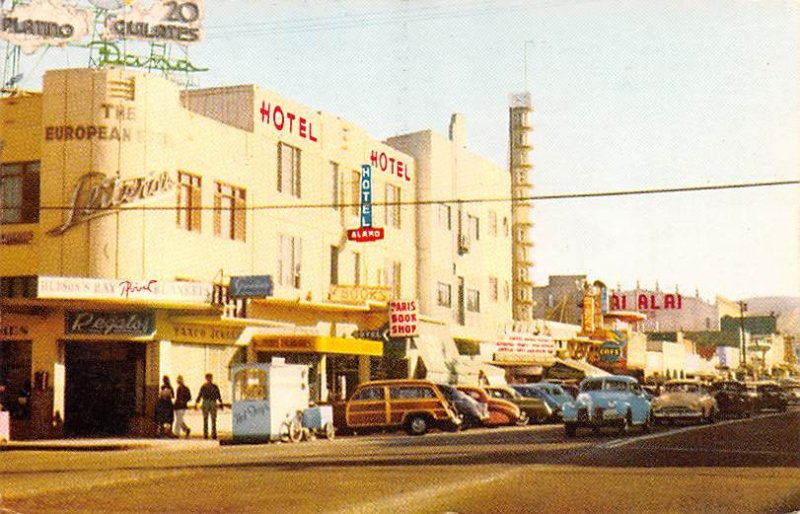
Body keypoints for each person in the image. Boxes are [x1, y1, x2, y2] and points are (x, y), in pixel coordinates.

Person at [195, 373, 223, 439]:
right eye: (208, 378)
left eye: (210, 378)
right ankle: (207, 433)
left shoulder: (210, 386)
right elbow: (200, 395)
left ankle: (212, 433)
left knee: (212, 419)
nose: (209, 379)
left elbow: (218, 395)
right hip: (209, 401)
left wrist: (220, 402)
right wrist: (197, 402)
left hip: (210, 402)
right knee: (206, 418)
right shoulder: (207, 386)